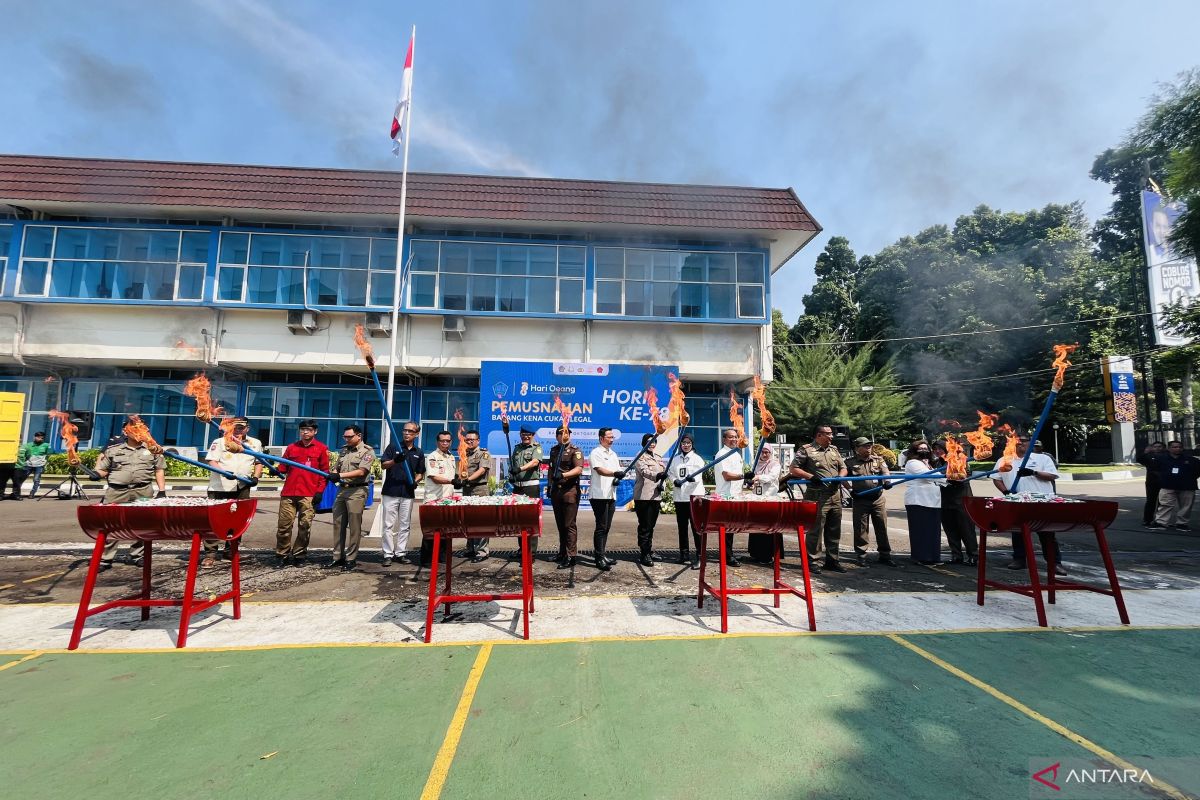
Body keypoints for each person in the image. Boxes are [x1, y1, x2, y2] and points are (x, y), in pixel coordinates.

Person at [94, 425, 167, 570]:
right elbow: (103, 469)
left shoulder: (153, 449)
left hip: (143, 490)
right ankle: (106, 559)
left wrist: (162, 491)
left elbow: (159, 470)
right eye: (135, 430)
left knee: (142, 525)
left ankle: (137, 555)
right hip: (117, 492)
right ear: (126, 433)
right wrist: (96, 475)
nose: (140, 433)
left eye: (142, 430)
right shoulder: (114, 450)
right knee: (111, 524)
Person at [992, 435, 1065, 573]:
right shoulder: (1004, 460)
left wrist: (1033, 472)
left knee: (1047, 533)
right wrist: (1006, 492)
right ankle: (1019, 559)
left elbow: (1052, 476)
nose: (1020, 444)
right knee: (1018, 532)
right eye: (1017, 441)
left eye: (1024, 441)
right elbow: (996, 478)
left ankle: (1055, 563)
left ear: (1031, 443)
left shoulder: (1042, 458)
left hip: (1041, 501)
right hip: (1018, 502)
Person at [203, 416, 263, 568]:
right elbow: (211, 461)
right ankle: (210, 553)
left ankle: (231, 551)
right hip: (220, 486)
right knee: (214, 520)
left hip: (242, 486)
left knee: (238, 520)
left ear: (247, 428)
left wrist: (256, 477)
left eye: (241, 427)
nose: (237, 430)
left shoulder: (254, 443)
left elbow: (259, 462)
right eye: (235, 427)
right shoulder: (220, 441)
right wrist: (223, 472)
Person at [789, 424, 848, 572]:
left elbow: (843, 467)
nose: (832, 436)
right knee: (815, 530)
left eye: (831, 434)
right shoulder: (806, 450)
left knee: (834, 530)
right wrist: (811, 477)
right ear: (819, 435)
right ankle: (812, 561)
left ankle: (832, 560)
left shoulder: (834, 450)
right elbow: (793, 469)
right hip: (817, 495)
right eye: (828, 434)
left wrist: (840, 477)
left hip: (835, 495)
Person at [274, 419, 329, 567]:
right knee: (284, 526)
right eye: (303, 429)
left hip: (309, 494)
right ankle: (282, 554)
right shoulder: (292, 448)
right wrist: (276, 470)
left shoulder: (321, 449)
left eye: (309, 430)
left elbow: (325, 473)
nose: (305, 432)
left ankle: (299, 554)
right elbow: (283, 467)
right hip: (289, 493)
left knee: (305, 526)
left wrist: (319, 492)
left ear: (315, 431)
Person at [326, 424, 375, 571]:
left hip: (357, 491)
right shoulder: (344, 451)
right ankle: (337, 557)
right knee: (338, 524)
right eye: (345, 436)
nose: (346, 439)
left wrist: (339, 475)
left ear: (358, 436)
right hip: (342, 490)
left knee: (354, 526)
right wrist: (334, 472)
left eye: (349, 436)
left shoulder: (367, 451)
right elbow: (337, 467)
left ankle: (351, 558)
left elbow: (361, 472)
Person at [845, 437, 897, 567]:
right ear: (857, 448)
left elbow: (885, 472)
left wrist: (887, 482)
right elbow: (842, 478)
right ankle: (861, 556)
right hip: (860, 499)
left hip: (877, 499)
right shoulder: (850, 462)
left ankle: (885, 555)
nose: (868, 448)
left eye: (869, 446)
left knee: (881, 527)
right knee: (861, 529)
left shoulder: (878, 460)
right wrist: (850, 490)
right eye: (865, 446)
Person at [379, 422, 425, 567]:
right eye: (405, 430)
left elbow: (420, 472)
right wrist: (395, 461)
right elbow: (383, 464)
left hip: (407, 492)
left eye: (411, 431)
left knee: (404, 525)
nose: (407, 433)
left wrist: (416, 482)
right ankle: (387, 554)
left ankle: (401, 553)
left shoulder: (419, 451)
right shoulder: (394, 447)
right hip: (391, 491)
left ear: (416, 434)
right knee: (388, 525)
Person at [931, 439, 977, 566]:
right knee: (950, 529)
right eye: (935, 449)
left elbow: (965, 475)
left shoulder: (959, 459)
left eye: (939, 448)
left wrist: (949, 478)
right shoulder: (936, 463)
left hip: (961, 498)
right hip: (945, 499)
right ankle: (956, 555)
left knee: (966, 529)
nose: (937, 451)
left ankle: (973, 555)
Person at [903, 441, 946, 565]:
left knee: (933, 531)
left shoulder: (929, 464)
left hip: (933, 501)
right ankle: (921, 557)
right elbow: (928, 476)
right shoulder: (912, 463)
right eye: (920, 448)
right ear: (914, 450)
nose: (924, 450)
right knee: (921, 531)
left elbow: (940, 479)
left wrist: (949, 478)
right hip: (918, 501)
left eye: (926, 448)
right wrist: (946, 476)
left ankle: (933, 557)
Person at [546, 426, 583, 568]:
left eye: (566, 433)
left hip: (569, 491)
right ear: (556, 437)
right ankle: (562, 553)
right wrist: (550, 486)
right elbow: (551, 469)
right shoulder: (554, 450)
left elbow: (578, 469)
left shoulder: (575, 450)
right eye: (561, 434)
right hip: (557, 491)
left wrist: (563, 475)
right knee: (561, 525)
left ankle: (571, 555)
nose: (564, 436)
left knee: (569, 525)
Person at [668, 434, 706, 569]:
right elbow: (670, 473)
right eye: (683, 442)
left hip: (694, 497)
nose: (685, 445)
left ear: (692, 444)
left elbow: (699, 476)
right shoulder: (676, 459)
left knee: (697, 528)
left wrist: (692, 479)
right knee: (682, 527)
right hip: (680, 497)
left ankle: (700, 557)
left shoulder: (697, 459)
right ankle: (684, 554)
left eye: (688, 442)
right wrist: (674, 481)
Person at [587, 427, 622, 571]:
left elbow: (617, 472)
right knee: (601, 527)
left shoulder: (613, 454)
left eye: (613, 437)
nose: (612, 439)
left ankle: (603, 554)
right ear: (601, 438)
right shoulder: (596, 453)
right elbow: (600, 470)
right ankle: (598, 558)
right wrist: (615, 473)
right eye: (609, 437)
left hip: (610, 495)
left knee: (606, 527)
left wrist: (617, 478)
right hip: (599, 495)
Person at [710, 428, 744, 566]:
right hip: (725, 496)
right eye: (731, 437)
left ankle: (729, 553)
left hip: (735, 495)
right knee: (726, 528)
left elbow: (738, 475)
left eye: (736, 437)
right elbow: (726, 475)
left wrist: (745, 481)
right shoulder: (721, 454)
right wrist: (743, 476)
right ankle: (727, 556)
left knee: (732, 527)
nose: (734, 439)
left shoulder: (736, 454)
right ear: (724, 439)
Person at [423, 431, 457, 567]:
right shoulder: (433, 457)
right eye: (442, 441)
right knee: (431, 530)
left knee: (445, 529)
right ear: (437, 442)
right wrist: (452, 481)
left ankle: (442, 557)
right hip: (434, 499)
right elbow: (434, 477)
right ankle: (427, 559)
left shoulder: (451, 457)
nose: (445, 443)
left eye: (448, 441)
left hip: (447, 499)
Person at [510, 426, 545, 559]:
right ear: (520, 434)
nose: (526, 436)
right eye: (523, 434)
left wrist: (520, 468)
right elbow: (513, 464)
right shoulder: (517, 448)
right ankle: (522, 549)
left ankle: (530, 553)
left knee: (530, 520)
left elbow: (535, 462)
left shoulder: (536, 447)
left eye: (528, 434)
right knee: (519, 520)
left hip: (530, 488)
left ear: (533, 435)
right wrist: (512, 474)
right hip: (517, 488)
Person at [1150, 440, 1200, 531]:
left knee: (1186, 506)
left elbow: (1197, 471)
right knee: (1165, 504)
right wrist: (1164, 478)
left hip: (1187, 486)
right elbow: (1154, 470)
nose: (1177, 449)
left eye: (1179, 447)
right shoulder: (1161, 459)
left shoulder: (1191, 460)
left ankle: (1182, 524)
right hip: (1167, 485)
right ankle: (1161, 522)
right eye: (1174, 447)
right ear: (1169, 448)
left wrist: (1189, 478)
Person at [746, 444, 784, 564]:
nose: (764, 454)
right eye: (762, 452)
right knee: (756, 527)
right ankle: (756, 554)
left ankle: (768, 555)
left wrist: (757, 477)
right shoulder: (756, 464)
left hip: (770, 498)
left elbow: (771, 477)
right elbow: (751, 478)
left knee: (769, 528)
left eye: (767, 452)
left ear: (770, 453)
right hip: (757, 498)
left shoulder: (775, 464)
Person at [632, 432, 666, 567]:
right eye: (649, 441)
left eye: (654, 442)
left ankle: (649, 550)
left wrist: (664, 478)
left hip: (655, 496)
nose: (652, 444)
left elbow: (663, 472)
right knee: (645, 526)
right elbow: (645, 472)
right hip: (643, 496)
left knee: (651, 525)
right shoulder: (640, 457)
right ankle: (644, 554)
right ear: (644, 443)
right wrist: (658, 475)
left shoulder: (658, 457)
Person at [459, 430, 492, 561]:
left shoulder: (483, 453)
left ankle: (482, 551)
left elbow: (482, 470)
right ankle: (470, 548)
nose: (470, 442)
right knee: (468, 520)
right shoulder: (464, 454)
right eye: (467, 440)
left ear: (478, 441)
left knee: (481, 521)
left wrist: (468, 479)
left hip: (480, 489)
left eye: (472, 439)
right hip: (467, 490)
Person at [1138, 441, 1166, 529]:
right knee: (1150, 501)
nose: (1157, 448)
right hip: (1151, 482)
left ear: (1163, 447)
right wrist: (1146, 452)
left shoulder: (1168, 456)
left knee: (1163, 502)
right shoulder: (1148, 456)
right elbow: (1139, 459)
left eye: (1159, 446)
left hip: (1165, 482)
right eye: (1155, 446)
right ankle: (1147, 519)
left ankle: (1159, 520)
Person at [19, 431, 51, 497]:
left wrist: (45, 462)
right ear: (34, 437)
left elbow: (49, 454)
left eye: (42, 438)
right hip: (28, 464)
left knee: (36, 479)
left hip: (39, 465)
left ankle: (32, 493)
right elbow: (24, 454)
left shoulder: (46, 445)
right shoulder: (28, 445)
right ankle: (17, 493)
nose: (40, 439)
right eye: (39, 437)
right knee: (21, 478)